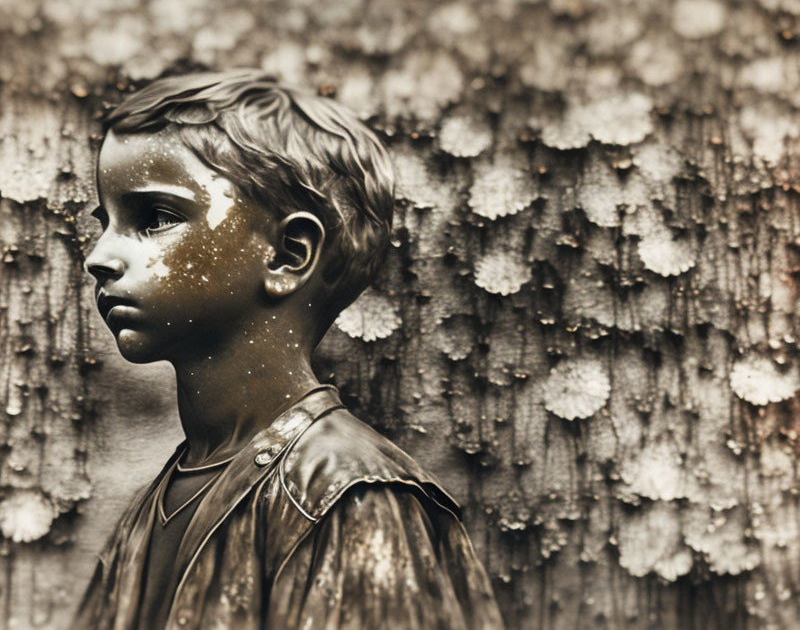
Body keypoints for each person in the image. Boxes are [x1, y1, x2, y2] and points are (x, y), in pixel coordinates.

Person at [73, 70, 505, 630]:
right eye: (105, 222)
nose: (100, 256)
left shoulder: (349, 498)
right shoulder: (154, 503)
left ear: (287, 254)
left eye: (155, 218)